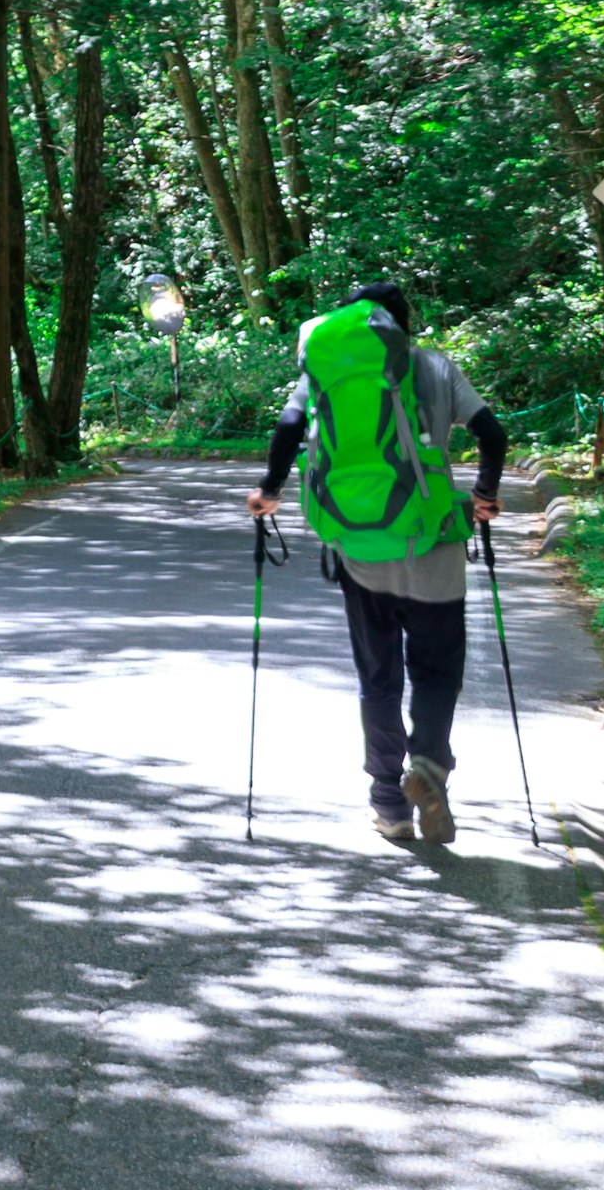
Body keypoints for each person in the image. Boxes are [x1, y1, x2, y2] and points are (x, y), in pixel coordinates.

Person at [245, 278, 506, 845]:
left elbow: (289, 429)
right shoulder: (436, 368)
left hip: (360, 553)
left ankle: (389, 804)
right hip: (434, 551)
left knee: (378, 680)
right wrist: (484, 495)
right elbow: (491, 432)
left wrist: (269, 491)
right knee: (437, 673)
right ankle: (430, 766)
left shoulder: (329, 372)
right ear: (403, 324)